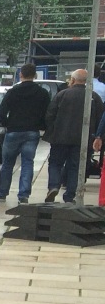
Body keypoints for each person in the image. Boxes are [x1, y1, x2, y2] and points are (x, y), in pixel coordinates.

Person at [42, 68, 102, 204]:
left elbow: (50, 115)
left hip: (60, 137)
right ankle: (69, 196)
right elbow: (100, 119)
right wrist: (97, 137)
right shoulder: (93, 97)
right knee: (75, 167)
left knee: (55, 163)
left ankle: (54, 186)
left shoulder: (62, 95)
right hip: (83, 139)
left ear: (73, 80)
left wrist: (52, 130)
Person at [0, 63, 51, 204]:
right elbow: (47, 114)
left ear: (21, 74)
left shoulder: (13, 91)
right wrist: (42, 126)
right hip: (32, 132)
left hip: (13, 130)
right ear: (35, 75)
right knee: (27, 163)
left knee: (7, 163)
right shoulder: (42, 93)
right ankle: (23, 195)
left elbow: (1, 112)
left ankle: (2, 193)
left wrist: (7, 124)